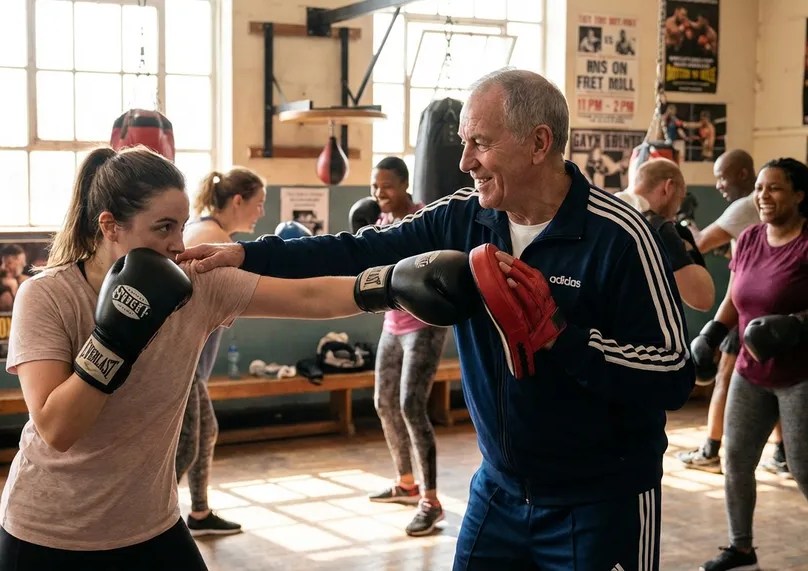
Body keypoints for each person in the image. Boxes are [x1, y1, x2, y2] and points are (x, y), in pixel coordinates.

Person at [177, 68, 695, 570]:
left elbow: (674, 373)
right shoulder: (464, 216)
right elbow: (359, 248)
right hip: (499, 490)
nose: (465, 161)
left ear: (539, 144)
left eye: (481, 144)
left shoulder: (620, 236)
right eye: (462, 142)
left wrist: (562, 337)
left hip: (601, 499)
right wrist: (249, 254)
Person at [0, 146, 408, 569]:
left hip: (150, 524)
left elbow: (308, 294)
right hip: (49, 534)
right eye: (163, 227)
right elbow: (57, 430)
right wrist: (115, 337)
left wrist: (394, 285)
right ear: (110, 225)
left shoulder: (196, 284)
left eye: (183, 225)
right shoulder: (47, 295)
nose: (178, 243)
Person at [691, 158, 808, 571]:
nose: (763, 196)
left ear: (799, 195)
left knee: (805, 468)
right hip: (752, 372)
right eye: (760, 189)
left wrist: (795, 326)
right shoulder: (748, 239)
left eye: (775, 188)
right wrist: (711, 334)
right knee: (736, 460)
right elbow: (734, 298)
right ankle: (741, 547)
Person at [681, 149, 790, 478]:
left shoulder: (745, 206)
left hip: (745, 306)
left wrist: (684, 222)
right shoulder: (762, 212)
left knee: (725, 378)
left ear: (743, 174)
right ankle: (783, 454)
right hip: (773, 305)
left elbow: (697, 244)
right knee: (777, 381)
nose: (718, 185)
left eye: (722, 177)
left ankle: (711, 449)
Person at [175, 167, 267, 537]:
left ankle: (198, 512)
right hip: (181, 364)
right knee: (186, 445)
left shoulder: (208, 231)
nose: (260, 213)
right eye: (257, 204)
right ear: (238, 200)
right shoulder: (212, 237)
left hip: (191, 364)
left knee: (205, 431)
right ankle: (146, 518)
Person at [364, 156, 449, 536]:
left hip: (425, 326)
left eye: (387, 186)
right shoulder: (381, 223)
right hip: (392, 325)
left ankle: (431, 501)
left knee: (411, 406)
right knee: (383, 402)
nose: (379, 193)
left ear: (405, 184)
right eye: (374, 186)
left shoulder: (422, 220)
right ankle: (406, 482)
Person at [615, 158, 714, 312]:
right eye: (679, 199)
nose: (675, 212)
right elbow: (703, 299)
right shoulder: (657, 228)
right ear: (669, 187)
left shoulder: (607, 211)